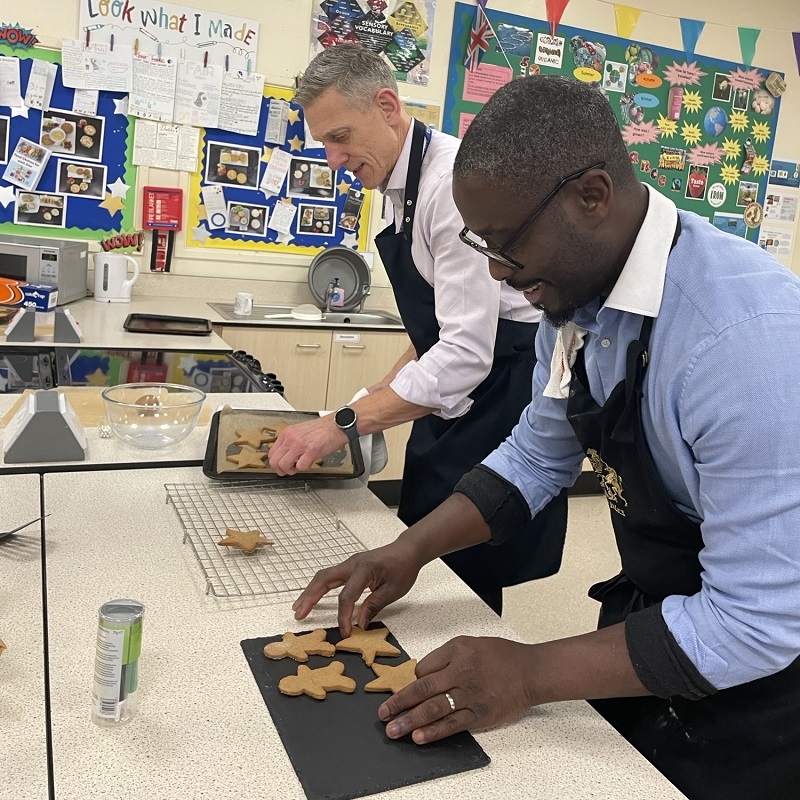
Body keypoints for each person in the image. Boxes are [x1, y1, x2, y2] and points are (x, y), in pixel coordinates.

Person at [289, 75, 800, 800]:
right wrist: (409, 549)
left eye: (509, 246)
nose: (497, 272)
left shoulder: (742, 342)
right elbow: (538, 453)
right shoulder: (573, 303)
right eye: (483, 246)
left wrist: (529, 673)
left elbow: (755, 624)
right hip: (655, 616)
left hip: (765, 684)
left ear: (592, 196)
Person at [268, 46, 567, 614]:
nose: (333, 160)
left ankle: (466, 655)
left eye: (340, 137)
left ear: (387, 105)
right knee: (423, 522)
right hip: (469, 379)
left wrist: (343, 423)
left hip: (504, 387)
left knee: (469, 545)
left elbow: (463, 353)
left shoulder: (450, 189)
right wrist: (368, 400)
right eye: (325, 144)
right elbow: (433, 330)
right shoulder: (390, 186)